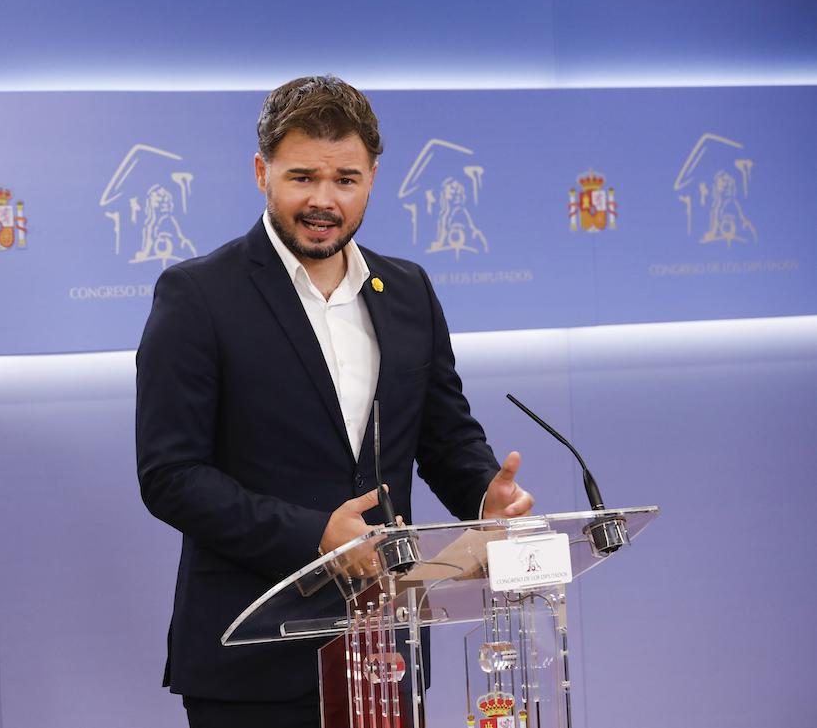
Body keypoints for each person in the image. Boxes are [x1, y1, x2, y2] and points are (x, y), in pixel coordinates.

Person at [135, 75, 533, 728]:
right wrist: (314, 534)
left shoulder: (408, 289)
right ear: (261, 171)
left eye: (345, 179)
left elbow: (443, 437)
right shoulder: (197, 296)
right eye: (302, 177)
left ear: (373, 176)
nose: (324, 200)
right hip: (253, 658)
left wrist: (484, 497)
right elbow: (169, 476)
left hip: (387, 650)